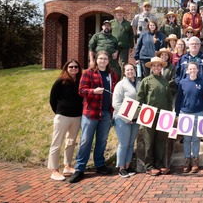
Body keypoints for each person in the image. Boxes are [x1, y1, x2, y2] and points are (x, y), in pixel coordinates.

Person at [69, 51, 119, 183]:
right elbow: (81, 90)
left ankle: (99, 165)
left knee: (102, 140)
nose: (103, 61)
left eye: (105, 59)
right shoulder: (88, 73)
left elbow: (116, 93)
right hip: (91, 112)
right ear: (96, 60)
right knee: (86, 140)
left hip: (107, 113)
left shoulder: (113, 75)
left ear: (108, 61)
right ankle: (79, 168)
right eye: (100, 58)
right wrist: (93, 91)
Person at [48, 59, 83, 181]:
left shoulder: (80, 81)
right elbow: (52, 99)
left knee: (71, 141)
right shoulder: (60, 82)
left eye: (76, 67)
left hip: (77, 117)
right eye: (71, 67)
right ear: (66, 68)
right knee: (57, 143)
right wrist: (59, 111)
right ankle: (54, 170)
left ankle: (67, 166)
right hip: (62, 116)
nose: (74, 69)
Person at [137, 57, 172, 176]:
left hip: (163, 115)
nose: (156, 68)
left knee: (161, 141)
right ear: (151, 68)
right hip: (149, 115)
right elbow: (140, 98)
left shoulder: (165, 82)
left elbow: (169, 100)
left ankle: (159, 164)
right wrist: (142, 112)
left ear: (161, 68)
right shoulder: (146, 81)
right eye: (154, 66)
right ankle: (149, 165)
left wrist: (169, 115)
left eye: (159, 66)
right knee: (149, 140)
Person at [175, 62, 203, 173]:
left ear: (198, 70)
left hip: (198, 113)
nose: (192, 71)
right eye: (190, 69)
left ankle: (195, 159)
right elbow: (178, 99)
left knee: (195, 138)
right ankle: (187, 159)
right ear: (187, 70)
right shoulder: (182, 82)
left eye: (194, 69)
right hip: (185, 113)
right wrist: (177, 112)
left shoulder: (202, 83)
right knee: (187, 138)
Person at [112, 63, 140, 178]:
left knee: (131, 143)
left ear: (135, 70)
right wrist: (126, 117)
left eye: (132, 69)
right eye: (127, 70)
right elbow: (116, 103)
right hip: (122, 118)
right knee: (123, 144)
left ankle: (128, 166)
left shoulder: (139, 83)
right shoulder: (121, 84)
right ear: (124, 72)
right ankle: (121, 167)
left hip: (136, 118)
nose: (130, 71)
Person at [110, 6, 134, 74]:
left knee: (124, 63)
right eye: (118, 12)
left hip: (124, 46)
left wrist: (131, 46)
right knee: (113, 62)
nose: (119, 14)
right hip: (114, 47)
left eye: (121, 12)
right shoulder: (111, 23)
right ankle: (115, 77)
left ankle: (124, 77)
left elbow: (131, 35)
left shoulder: (128, 23)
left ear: (123, 14)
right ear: (115, 14)